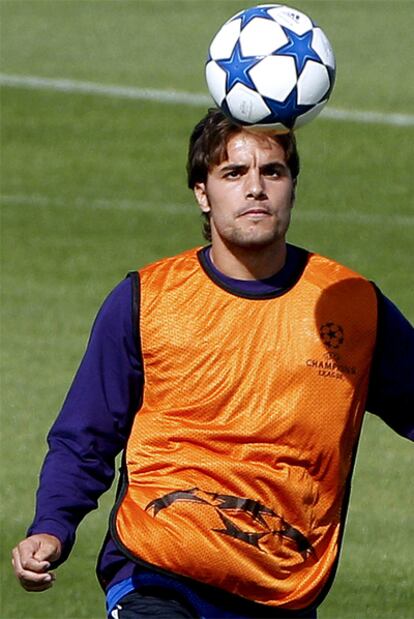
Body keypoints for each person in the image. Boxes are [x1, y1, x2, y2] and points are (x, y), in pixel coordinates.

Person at [12, 108, 413, 619]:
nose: (256, 189)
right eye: (233, 173)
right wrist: (51, 526)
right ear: (202, 192)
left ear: (292, 185)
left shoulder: (350, 307)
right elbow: (86, 436)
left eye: (273, 171)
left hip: (282, 590)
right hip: (156, 575)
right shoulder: (148, 299)